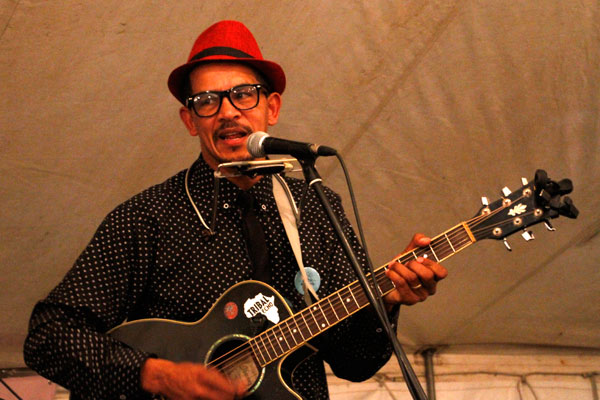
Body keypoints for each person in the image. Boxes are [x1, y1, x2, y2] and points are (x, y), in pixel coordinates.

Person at [24, 20, 448, 400]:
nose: (227, 112)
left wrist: (387, 301)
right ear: (190, 120)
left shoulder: (315, 207)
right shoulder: (147, 217)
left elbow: (355, 363)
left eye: (244, 95)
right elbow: (48, 336)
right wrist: (155, 375)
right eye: (207, 101)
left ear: (272, 108)